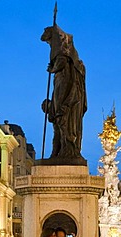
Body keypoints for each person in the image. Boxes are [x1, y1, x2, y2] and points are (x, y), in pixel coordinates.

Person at [40, 24, 87, 160]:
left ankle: (65, 151)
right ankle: (57, 152)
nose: (49, 44)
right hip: (61, 92)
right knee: (58, 124)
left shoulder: (64, 56)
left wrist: (52, 69)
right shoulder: (64, 59)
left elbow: (61, 62)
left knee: (62, 123)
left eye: (50, 41)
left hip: (66, 96)